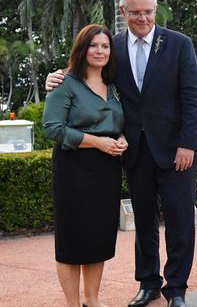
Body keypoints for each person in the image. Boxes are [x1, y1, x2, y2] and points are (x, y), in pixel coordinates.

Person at [46, 0, 197, 307]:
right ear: (123, 12)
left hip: (177, 152)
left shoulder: (179, 44)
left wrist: (188, 144)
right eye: (136, 13)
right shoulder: (112, 47)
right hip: (134, 151)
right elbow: (85, 67)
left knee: (179, 221)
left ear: (154, 10)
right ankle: (148, 284)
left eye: (148, 12)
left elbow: (193, 97)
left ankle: (176, 289)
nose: (143, 18)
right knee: (143, 220)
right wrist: (56, 76)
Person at [43, 24, 128, 307]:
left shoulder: (114, 85)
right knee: (72, 239)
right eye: (94, 45)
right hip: (73, 167)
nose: (100, 51)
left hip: (107, 170)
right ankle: (71, 303)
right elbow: (52, 128)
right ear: (82, 48)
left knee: (98, 236)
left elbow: (120, 123)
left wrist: (121, 139)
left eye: (105, 46)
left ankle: (92, 300)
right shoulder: (64, 83)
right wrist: (97, 142)